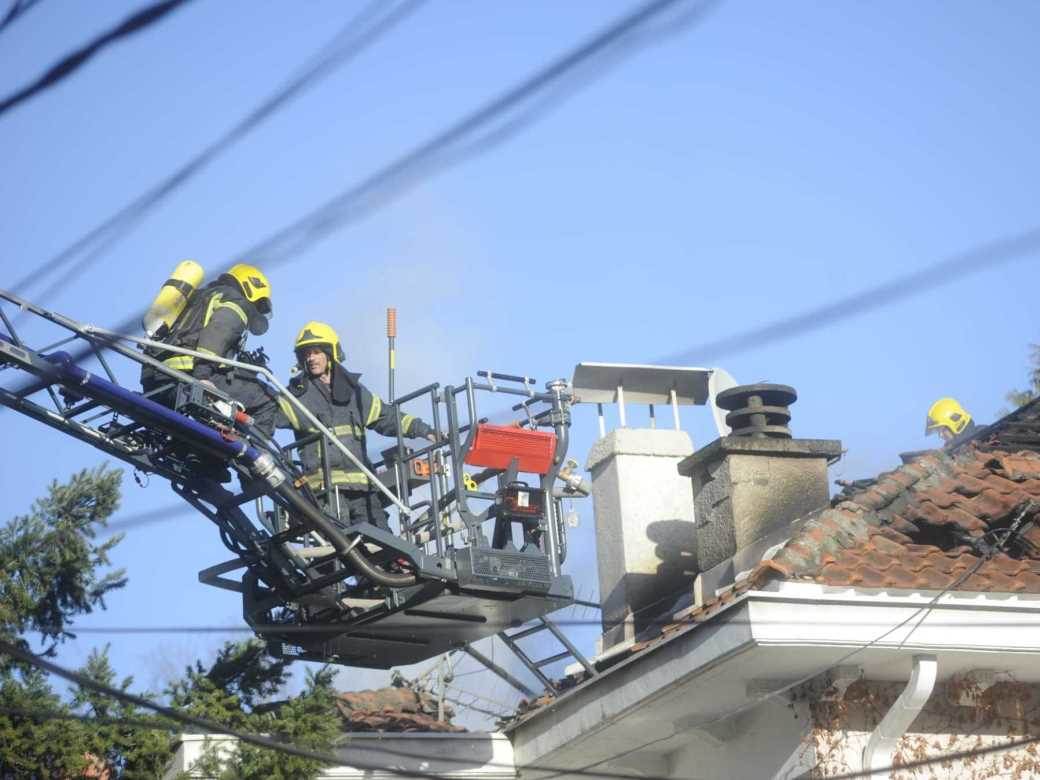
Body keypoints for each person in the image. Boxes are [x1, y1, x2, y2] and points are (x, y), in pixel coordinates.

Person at [275, 321, 438, 530]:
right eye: (306, 354)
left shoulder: (353, 391)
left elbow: (386, 416)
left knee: (382, 540)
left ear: (330, 352)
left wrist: (425, 430)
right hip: (325, 492)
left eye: (316, 352)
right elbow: (268, 415)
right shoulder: (296, 396)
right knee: (339, 544)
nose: (311, 358)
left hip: (363, 489)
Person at [141, 263, 277, 434]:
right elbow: (217, 334)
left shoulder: (199, 297)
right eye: (258, 305)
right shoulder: (235, 301)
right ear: (252, 289)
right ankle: (246, 448)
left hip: (154, 379)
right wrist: (203, 376)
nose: (256, 311)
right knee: (267, 399)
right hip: (188, 375)